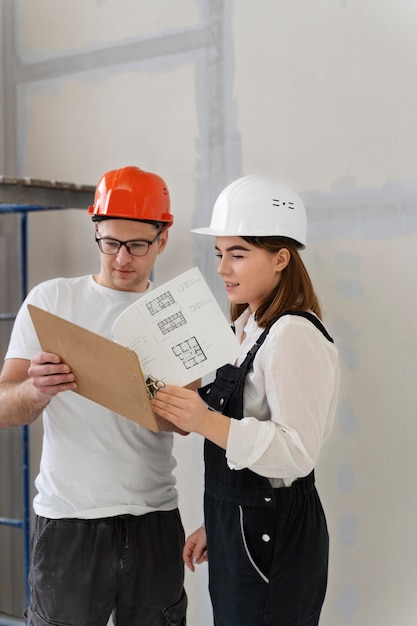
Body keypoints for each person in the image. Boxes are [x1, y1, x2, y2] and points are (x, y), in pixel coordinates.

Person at [0, 166, 188, 626]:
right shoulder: (52, 301)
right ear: (96, 232)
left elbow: (187, 420)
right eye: (109, 242)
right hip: (68, 524)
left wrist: (138, 390)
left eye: (137, 245)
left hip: (153, 520)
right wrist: (37, 388)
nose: (121, 258)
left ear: (162, 239)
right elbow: (5, 406)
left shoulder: (176, 314)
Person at [150, 175, 340, 626]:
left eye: (238, 254)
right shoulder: (248, 326)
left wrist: (201, 419)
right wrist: (218, 527)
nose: (222, 269)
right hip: (246, 525)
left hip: (275, 533)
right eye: (220, 254)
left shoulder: (293, 333)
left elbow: (296, 452)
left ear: (281, 258)